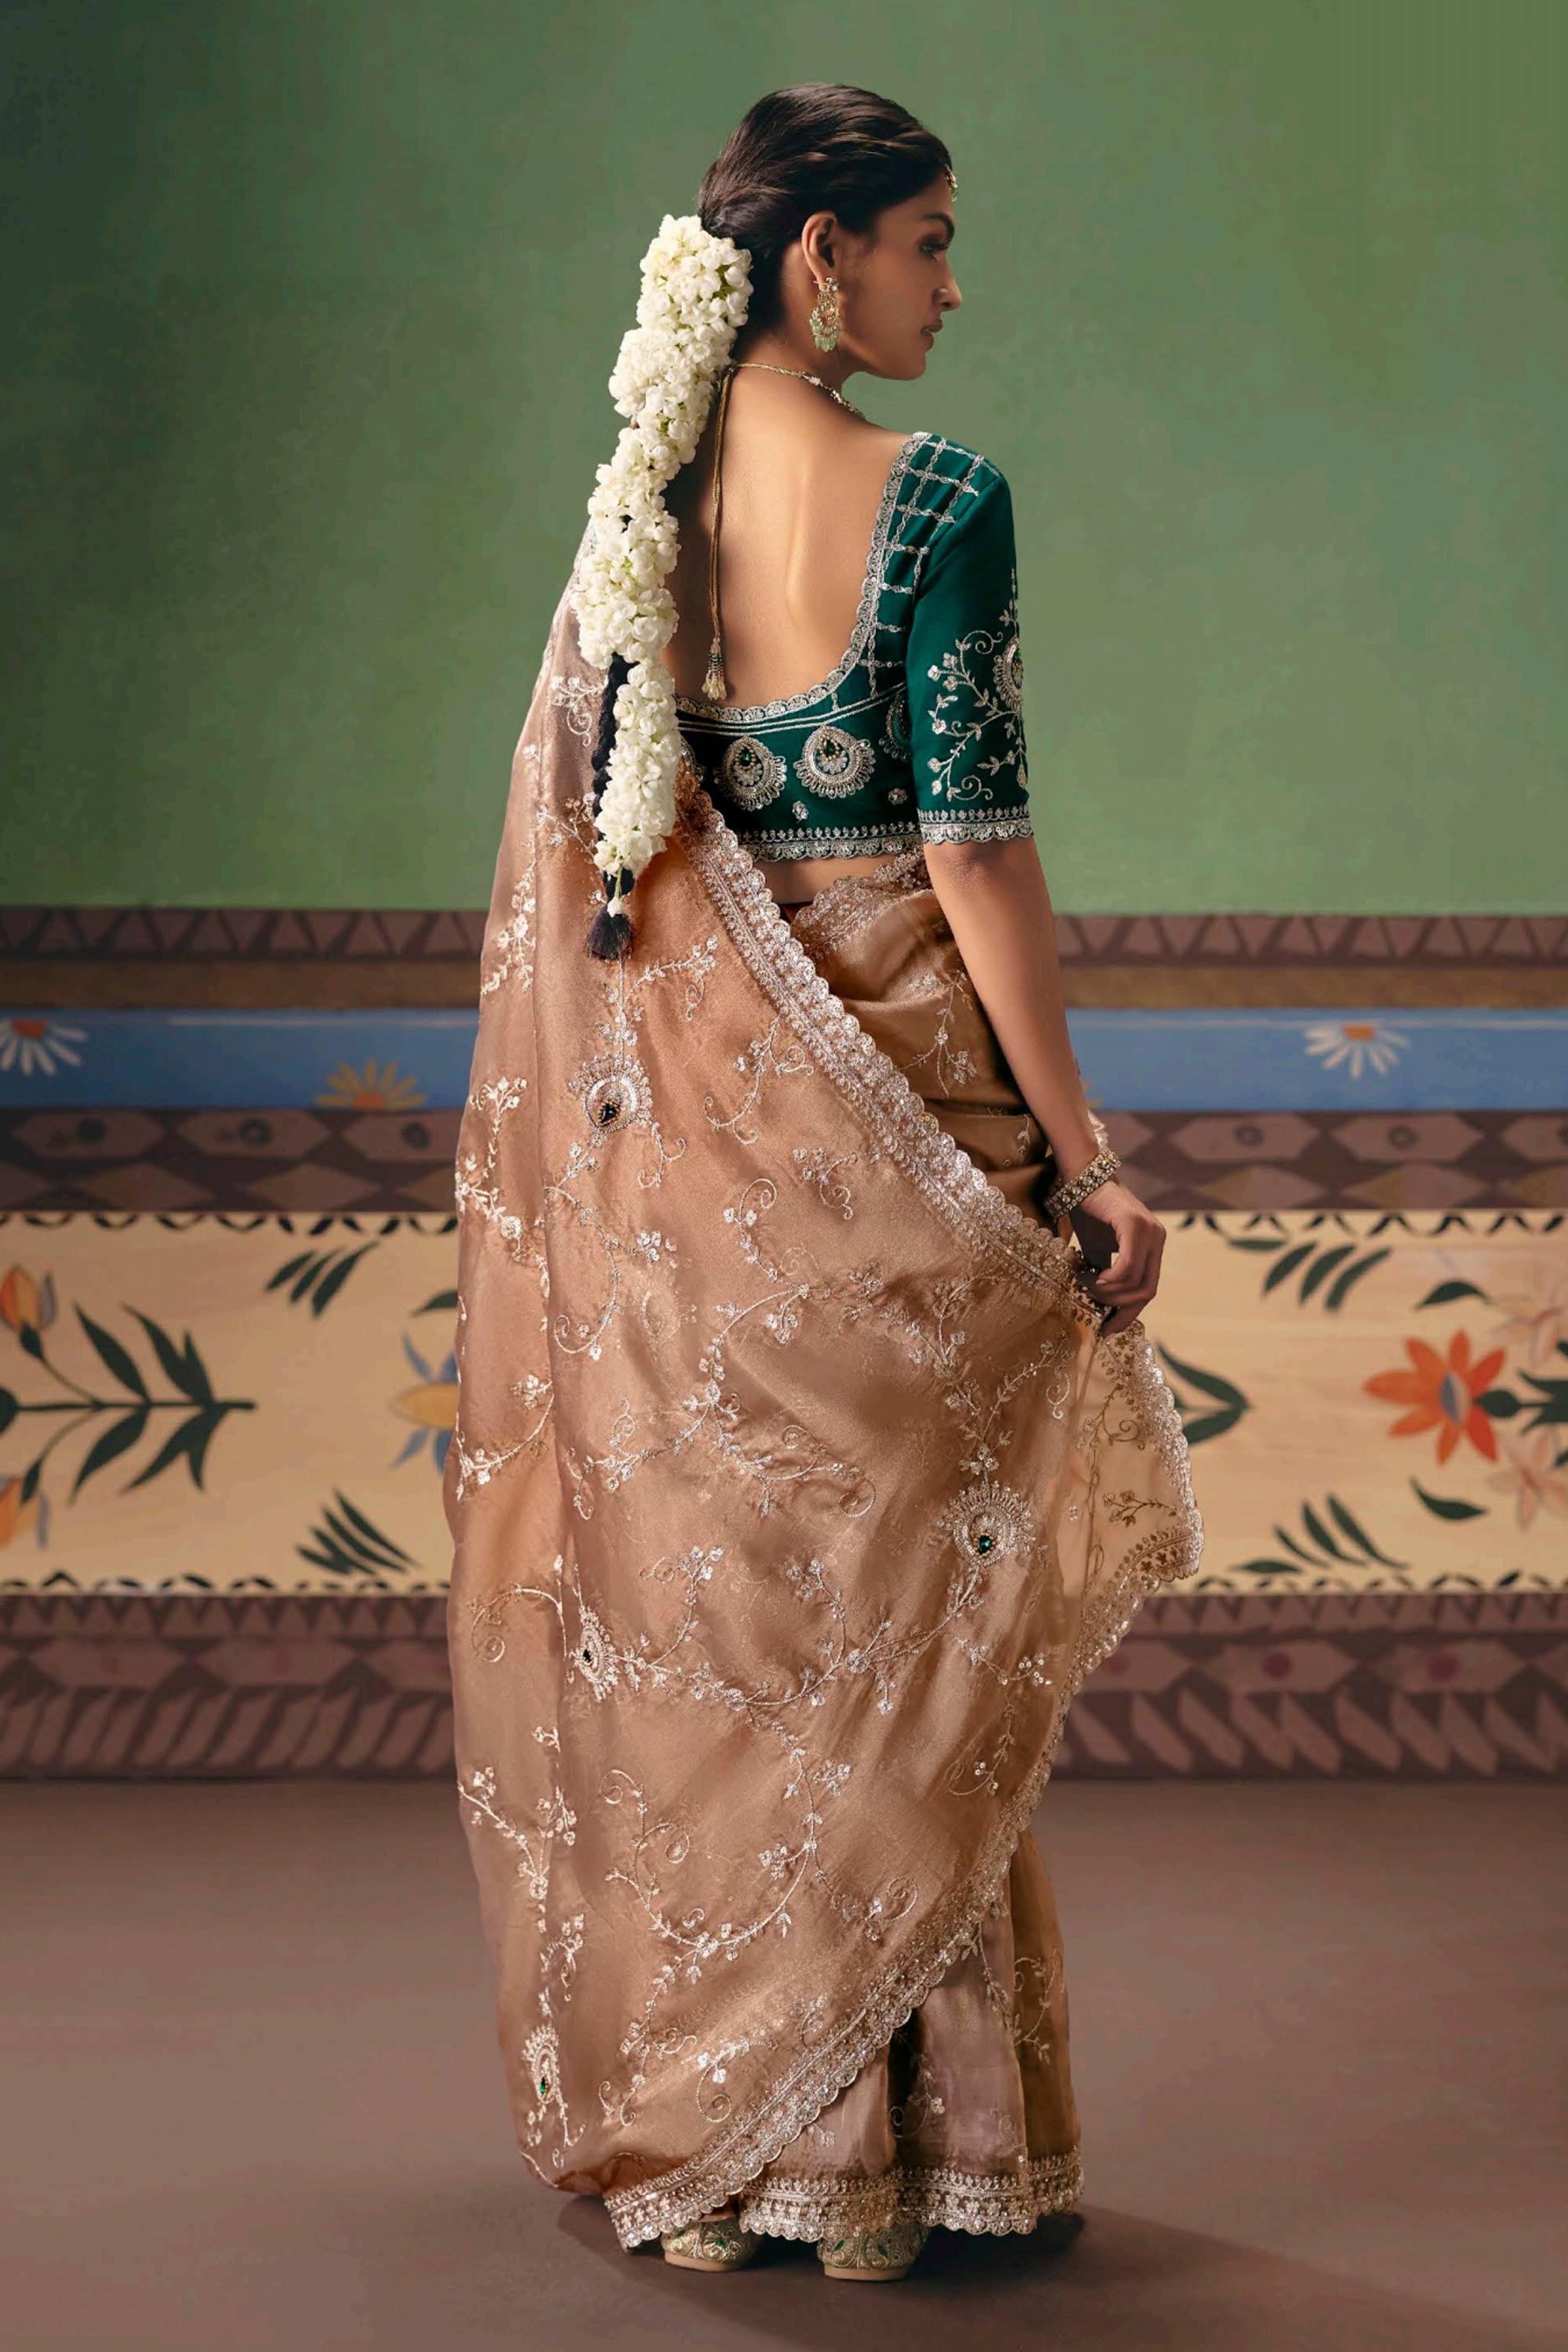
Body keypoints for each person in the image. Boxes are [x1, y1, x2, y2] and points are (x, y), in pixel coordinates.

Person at [443, 82, 1203, 2285]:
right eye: (929, 241)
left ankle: (748, 2156)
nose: (951, 287)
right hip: (911, 1125)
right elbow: (971, 849)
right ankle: (905, 2165)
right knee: (906, 1639)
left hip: (690, 1160)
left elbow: (618, 862)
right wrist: (1087, 1154)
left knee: (741, 1630)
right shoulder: (937, 495)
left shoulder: (643, 510)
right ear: (820, 260)